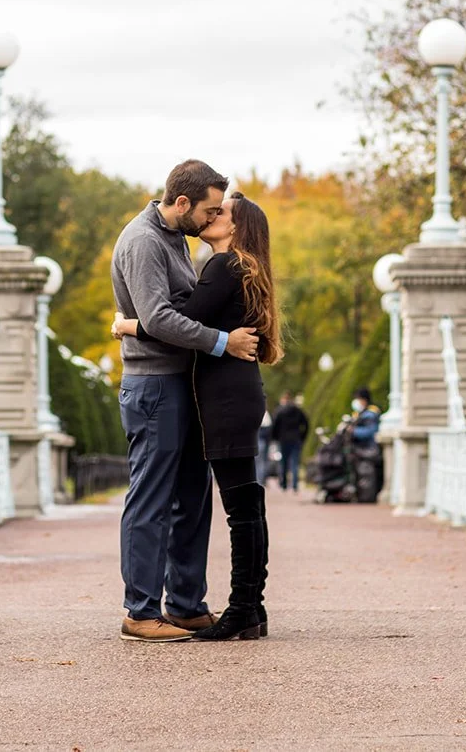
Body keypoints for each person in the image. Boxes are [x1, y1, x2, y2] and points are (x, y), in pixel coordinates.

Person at [115, 190, 283, 641]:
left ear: (235, 227)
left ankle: (244, 608)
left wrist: (126, 324)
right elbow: (186, 320)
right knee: (246, 504)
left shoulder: (223, 266)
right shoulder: (233, 266)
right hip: (233, 395)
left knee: (241, 509)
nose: (213, 216)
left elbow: (175, 319)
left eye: (221, 213)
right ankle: (248, 608)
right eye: (212, 208)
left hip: (226, 399)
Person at [271, 392, 309, 492]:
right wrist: (302, 437)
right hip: (296, 439)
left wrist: (275, 438)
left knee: (283, 463)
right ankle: (295, 485)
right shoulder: (298, 411)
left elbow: (274, 426)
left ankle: (284, 484)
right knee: (295, 462)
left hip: (283, 440)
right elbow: (306, 423)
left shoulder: (279, 411)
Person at [255, 409, 274, 487]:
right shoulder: (264, 413)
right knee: (262, 462)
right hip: (262, 440)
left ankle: (259, 480)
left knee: (259, 462)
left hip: (259, 439)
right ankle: (261, 480)